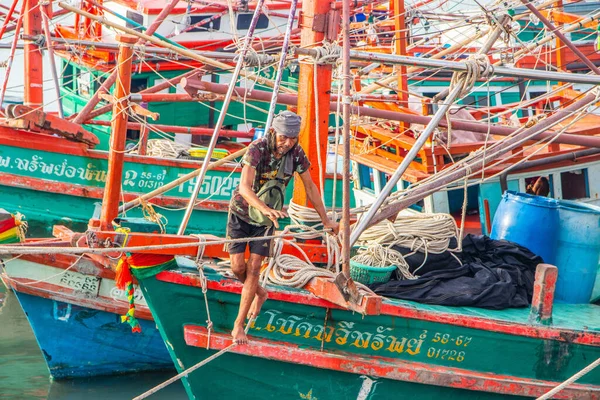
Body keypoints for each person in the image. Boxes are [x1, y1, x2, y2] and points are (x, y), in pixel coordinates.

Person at [227, 110, 339, 344]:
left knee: (255, 268)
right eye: (283, 137)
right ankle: (259, 293)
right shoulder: (256, 149)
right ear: (272, 132)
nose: (287, 143)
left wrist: (326, 220)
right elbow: (244, 188)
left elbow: (310, 187)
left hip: (267, 221)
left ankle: (238, 327)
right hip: (241, 213)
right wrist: (264, 208)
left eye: (292, 138)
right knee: (238, 267)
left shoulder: (296, 153)